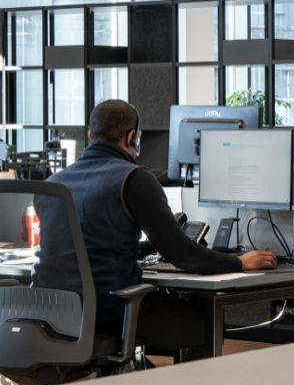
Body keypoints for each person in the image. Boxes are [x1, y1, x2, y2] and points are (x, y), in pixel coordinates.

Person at [30, 100, 277, 358]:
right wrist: (240, 262)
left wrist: (148, 249)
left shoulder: (52, 185)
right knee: (207, 322)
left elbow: (89, 246)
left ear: (90, 136)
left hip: (54, 315)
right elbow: (183, 255)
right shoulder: (134, 178)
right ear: (131, 138)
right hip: (112, 312)